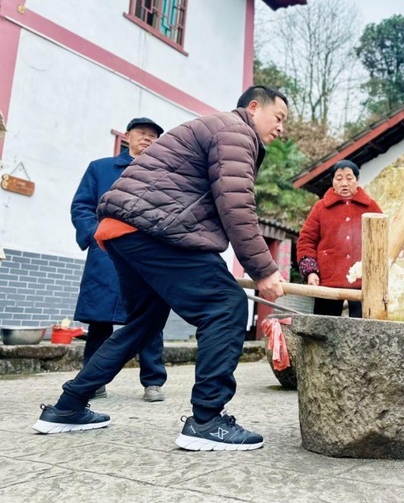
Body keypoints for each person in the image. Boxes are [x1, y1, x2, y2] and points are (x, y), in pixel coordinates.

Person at [33, 85, 288, 451]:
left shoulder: (218, 129)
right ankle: (207, 421)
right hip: (155, 229)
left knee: (143, 323)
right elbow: (236, 204)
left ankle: (67, 407)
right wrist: (264, 269)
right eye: (278, 118)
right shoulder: (236, 132)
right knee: (227, 306)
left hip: (126, 231)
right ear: (253, 107)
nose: (281, 128)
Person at [70, 117, 167, 402]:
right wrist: (93, 235)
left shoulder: (162, 173)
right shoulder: (100, 168)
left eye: (153, 136)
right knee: (100, 320)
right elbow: (82, 206)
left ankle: (153, 381)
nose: (147, 139)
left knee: (149, 317)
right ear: (127, 136)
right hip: (106, 253)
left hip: (145, 257)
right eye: (142, 133)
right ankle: (93, 379)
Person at [296, 160, 383, 318]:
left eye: (349, 178)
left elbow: (382, 239)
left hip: (363, 281)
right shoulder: (320, 208)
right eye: (339, 178)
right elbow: (306, 241)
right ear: (332, 182)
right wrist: (310, 272)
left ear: (357, 180)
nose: (344, 183)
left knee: (363, 330)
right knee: (323, 328)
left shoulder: (371, 207)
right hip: (328, 280)